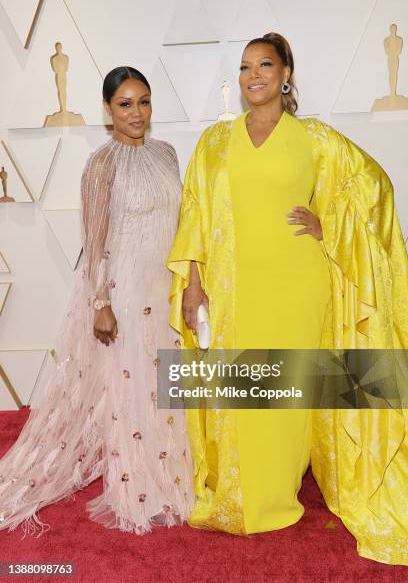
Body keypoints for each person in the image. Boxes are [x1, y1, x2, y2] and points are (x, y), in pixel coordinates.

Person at [167, 33, 408, 564]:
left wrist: (332, 226)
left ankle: (277, 497)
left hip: (298, 284)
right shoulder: (214, 142)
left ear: (286, 74)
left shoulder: (315, 139)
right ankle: (240, 492)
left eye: (265, 66)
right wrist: (193, 284)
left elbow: (373, 191)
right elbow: (195, 219)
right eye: (246, 67)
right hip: (233, 289)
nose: (254, 75)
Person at [0, 66, 194, 537]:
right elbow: (96, 239)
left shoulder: (167, 154)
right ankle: (140, 488)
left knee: (166, 387)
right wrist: (100, 302)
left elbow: (183, 225)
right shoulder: (101, 164)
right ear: (107, 110)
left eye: (144, 101)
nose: (137, 113)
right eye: (125, 104)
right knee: (131, 390)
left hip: (163, 287)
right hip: (125, 290)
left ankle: (170, 475)